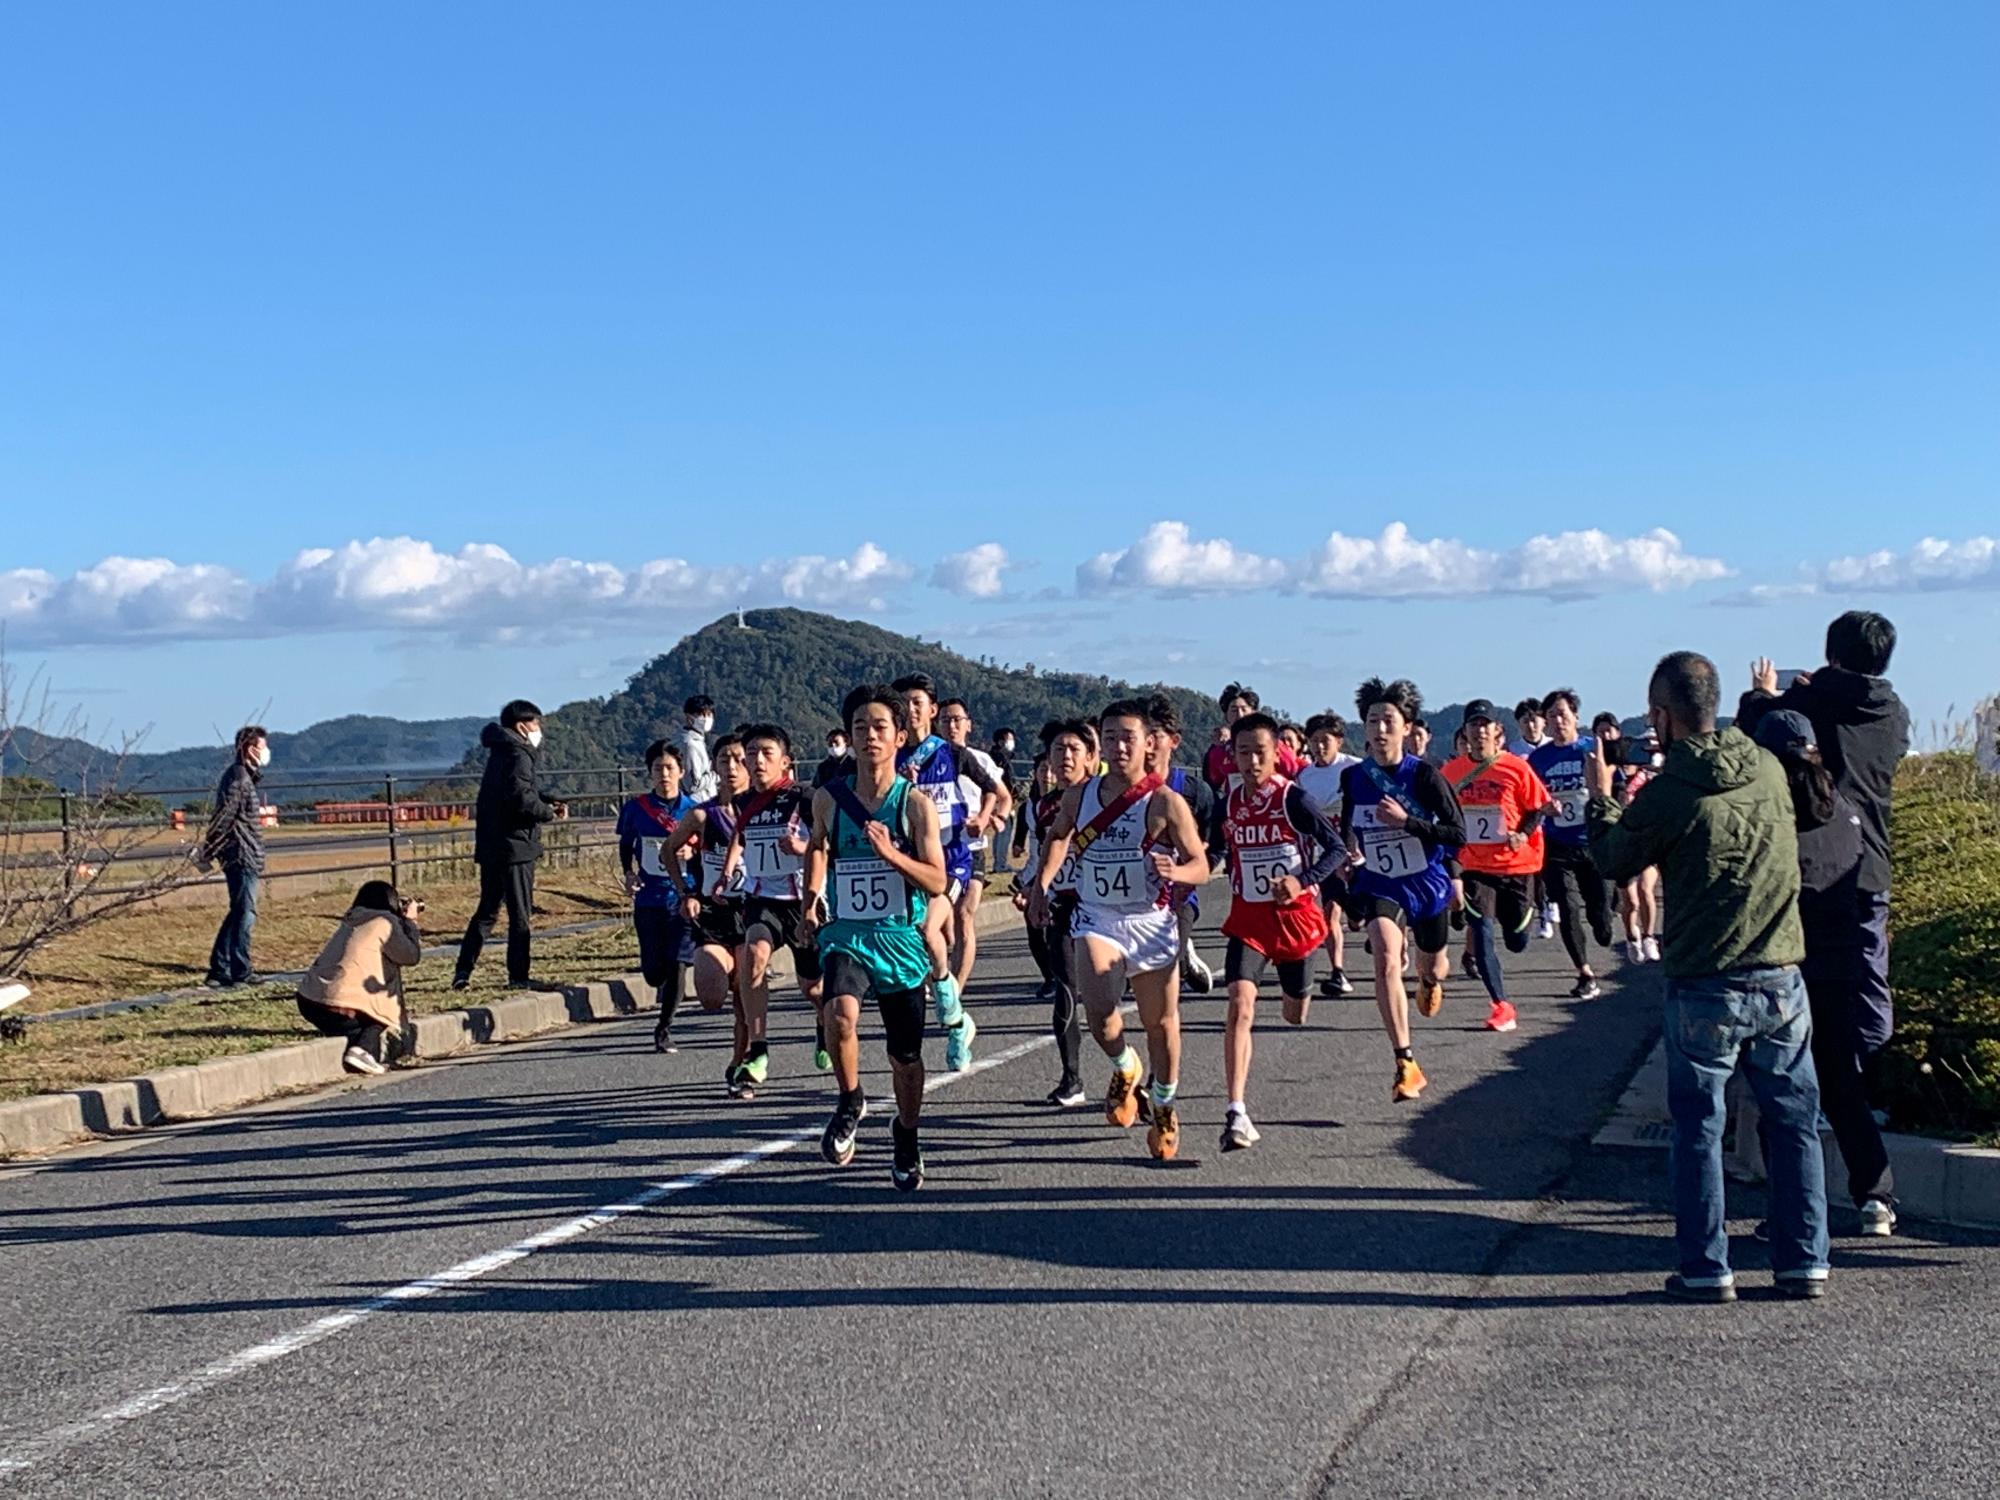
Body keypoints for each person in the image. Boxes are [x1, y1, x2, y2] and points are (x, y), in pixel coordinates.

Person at [1586, 650, 1827, 1303]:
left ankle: (1706, 1266)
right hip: (1780, 970)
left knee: (1698, 1124)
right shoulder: (1770, 770)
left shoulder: (1669, 791)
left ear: (1661, 716)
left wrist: (1602, 795)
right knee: (1794, 1120)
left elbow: (1613, 857)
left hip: (1704, 979)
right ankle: (1804, 1259)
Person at [1027, 699, 1210, 1159]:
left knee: (1161, 1023)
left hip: (1150, 923)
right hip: (1097, 916)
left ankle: (1164, 1104)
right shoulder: (1079, 796)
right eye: (1109, 737)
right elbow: (1058, 837)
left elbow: (1201, 865)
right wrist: (1040, 886)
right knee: (1099, 1011)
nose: (1118, 745)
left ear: (1149, 743)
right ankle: (1124, 1066)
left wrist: (1177, 872)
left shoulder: (1165, 801)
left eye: (1127, 737)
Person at [1737, 610, 1911, 1072]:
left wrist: (1763, 692)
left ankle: (1812, 1081)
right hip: (1871, 862)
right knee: (1870, 976)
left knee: (1806, 980)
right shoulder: (1894, 711)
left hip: (1813, 862)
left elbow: (1757, 728)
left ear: (1832, 653)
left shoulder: (1812, 702)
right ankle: (1870, 1075)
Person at [1754, 710, 1897, 1237]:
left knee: (1780, 1091)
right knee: (1842, 1086)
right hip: (1842, 966)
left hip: (1786, 966)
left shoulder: (1771, 814)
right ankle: (1876, 1196)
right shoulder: (1847, 810)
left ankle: (1787, 1209)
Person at [802, 685, 951, 1191]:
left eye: (880, 727)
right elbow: (818, 849)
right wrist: (812, 895)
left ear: (900, 737)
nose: (869, 736)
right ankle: (850, 1099)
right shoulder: (828, 798)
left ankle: (906, 1134)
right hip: (848, 936)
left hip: (901, 942)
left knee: (905, 1060)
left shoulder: (915, 805)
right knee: (838, 1013)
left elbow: (936, 880)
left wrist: (893, 857)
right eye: (860, 727)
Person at [1217, 713, 1346, 1150]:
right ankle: (1237, 1111)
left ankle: (1299, 993)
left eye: (1260, 752)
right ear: (1231, 756)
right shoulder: (1230, 801)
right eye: (1243, 752)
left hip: (1295, 920)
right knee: (1239, 1002)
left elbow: (1337, 849)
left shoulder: (1295, 799)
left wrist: (1302, 880)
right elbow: (1216, 849)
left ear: (1277, 754)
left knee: (1295, 1014)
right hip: (1248, 918)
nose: (1251, 761)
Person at [1339, 678, 1465, 1103]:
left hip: (1426, 883)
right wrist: (1347, 853)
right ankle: (1405, 1061)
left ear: (1407, 727)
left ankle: (1428, 978)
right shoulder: (1354, 777)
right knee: (1386, 960)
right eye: (1372, 720)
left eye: (1388, 720)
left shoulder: (1426, 776)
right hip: (1380, 882)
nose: (1379, 729)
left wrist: (1407, 824)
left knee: (1434, 966)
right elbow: (1348, 827)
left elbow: (1456, 833)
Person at [892, 673, 1006, 1071]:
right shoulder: (891, 757)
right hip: (910, 862)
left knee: (930, 929)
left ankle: (952, 1011)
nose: (909, 709)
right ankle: (957, 1019)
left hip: (952, 859)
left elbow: (996, 790)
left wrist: (983, 817)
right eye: (903, 702)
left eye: (917, 702)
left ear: (932, 709)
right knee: (928, 940)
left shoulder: (952, 754)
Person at [718, 724, 822, 1099]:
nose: (756, 761)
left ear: (785, 761)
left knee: (813, 988)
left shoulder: (805, 797)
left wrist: (802, 847)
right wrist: (729, 867)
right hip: (762, 899)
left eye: (765, 753)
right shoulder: (743, 801)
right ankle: (758, 1048)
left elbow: (824, 846)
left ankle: (823, 1024)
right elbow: (741, 837)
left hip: (802, 902)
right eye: (751, 754)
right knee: (754, 955)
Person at [1440, 700, 1551, 1035]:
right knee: (1482, 932)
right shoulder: (1451, 773)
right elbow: (1442, 815)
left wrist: (1523, 833)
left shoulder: (1515, 768)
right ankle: (1501, 1004)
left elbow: (1538, 807)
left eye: (1485, 724)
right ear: (1465, 732)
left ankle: (1528, 914)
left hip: (1517, 865)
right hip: (1475, 867)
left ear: (1497, 731)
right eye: (1473, 725)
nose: (1480, 731)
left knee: (1517, 939)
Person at [453, 701, 567, 990]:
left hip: (492, 844)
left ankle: (462, 972)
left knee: (487, 911)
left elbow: (516, 790)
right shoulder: (519, 753)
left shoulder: (499, 751)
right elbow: (521, 800)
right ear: (521, 726)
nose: (539, 730)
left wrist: (545, 797)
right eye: (536, 724)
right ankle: (518, 975)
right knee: (520, 913)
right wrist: (548, 812)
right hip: (516, 845)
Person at [660, 734, 753, 1068]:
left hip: (752, 913)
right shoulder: (703, 815)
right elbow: (668, 849)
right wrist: (686, 892)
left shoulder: (765, 813)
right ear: (713, 766)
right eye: (724, 759)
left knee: (745, 999)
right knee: (711, 998)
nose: (732, 767)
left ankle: (739, 1066)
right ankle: (730, 975)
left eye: (740, 759)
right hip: (713, 914)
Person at [1022, 720, 1096, 1105]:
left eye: (1072, 749)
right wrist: (1034, 890)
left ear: (1090, 757)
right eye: (1057, 750)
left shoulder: (1107, 798)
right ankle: (1072, 1078)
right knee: (1066, 986)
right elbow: (1043, 855)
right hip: (1065, 905)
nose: (1064, 757)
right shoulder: (1046, 805)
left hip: (1108, 908)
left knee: (1105, 1003)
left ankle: (1135, 1070)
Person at [1529, 689, 1618, 999]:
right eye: (1551, 716)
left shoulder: (1590, 749)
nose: (1557, 721)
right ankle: (1584, 972)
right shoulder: (1539, 758)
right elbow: (1532, 799)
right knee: (1567, 909)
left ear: (1576, 717)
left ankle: (1602, 921)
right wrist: (1545, 807)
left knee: (1601, 919)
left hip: (1592, 842)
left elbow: (1614, 787)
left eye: (1562, 715)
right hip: (1556, 845)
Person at [617, 740, 700, 1052]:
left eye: (669, 768)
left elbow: (707, 850)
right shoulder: (636, 808)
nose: (664, 774)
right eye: (657, 769)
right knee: (653, 972)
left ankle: (664, 1027)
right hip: (649, 898)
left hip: (682, 897)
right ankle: (661, 984)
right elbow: (626, 844)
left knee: (678, 962)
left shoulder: (693, 810)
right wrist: (629, 872)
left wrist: (693, 852)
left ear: (681, 771)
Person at [296, 879, 424, 1075]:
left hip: (308, 999)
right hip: (340, 1005)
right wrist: (411, 922)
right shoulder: (384, 923)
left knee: (355, 1028)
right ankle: (362, 1051)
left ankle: (357, 1045)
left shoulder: (351, 919)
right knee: (380, 1014)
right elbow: (410, 956)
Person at [938, 698, 1015, 1000]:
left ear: (968, 724)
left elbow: (1004, 797)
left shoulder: (980, 760)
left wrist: (990, 818)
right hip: (935, 851)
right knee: (940, 926)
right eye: (945, 720)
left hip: (971, 848)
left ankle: (956, 988)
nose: (952, 725)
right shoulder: (925, 760)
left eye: (957, 719)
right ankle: (941, 972)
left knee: (964, 914)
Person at [1144, 694, 1218, 995]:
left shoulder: (1194, 792)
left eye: (1155, 736)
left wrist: (1190, 875)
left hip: (1178, 897)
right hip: (1127, 902)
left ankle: (1182, 957)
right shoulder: (1116, 790)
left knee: (1166, 978)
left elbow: (1216, 846)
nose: (1148, 744)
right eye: (1142, 735)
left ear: (1173, 741)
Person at [198, 724, 270, 989]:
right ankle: (238, 969)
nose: (265, 753)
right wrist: (210, 847)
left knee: (240, 911)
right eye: (262, 747)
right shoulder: (239, 779)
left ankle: (222, 967)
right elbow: (224, 817)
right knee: (244, 913)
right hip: (241, 853)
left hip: (246, 851)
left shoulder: (244, 777)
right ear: (251, 749)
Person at [1295, 714, 1358, 998]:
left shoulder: (1355, 769)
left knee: (1362, 914)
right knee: (1330, 911)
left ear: (1339, 741)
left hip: (1359, 855)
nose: (1320, 747)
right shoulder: (1304, 777)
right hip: (1326, 855)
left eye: (1325, 741)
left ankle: (1399, 944)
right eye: (1314, 741)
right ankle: (1338, 971)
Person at [1594, 712, 1662, 963]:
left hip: (1646, 838)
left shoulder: (1648, 772)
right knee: (1630, 901)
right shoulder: (1607, 773)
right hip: (1622, 840)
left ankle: (1649, 936)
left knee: (1646, 891)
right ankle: (1632, 936)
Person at [988, 726, 1021, 871]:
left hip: (993, 798)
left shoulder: (992, 756)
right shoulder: (1001, 758)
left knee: (999, 831)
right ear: (1001, 742)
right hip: (1002, 799)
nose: (1012, 742)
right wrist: (1015, 794)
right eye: (1009, 739)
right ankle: (1000, 863)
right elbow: (1009, 779)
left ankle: (998, 862)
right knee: (1004, 829)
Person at [680, 695, 719, 802]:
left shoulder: (695, 740)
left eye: (709, 714)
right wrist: (716, 774)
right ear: (688, 717)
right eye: (699, 714)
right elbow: (692, 785)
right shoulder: (690, 744)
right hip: (697, 802)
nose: (705, 719)